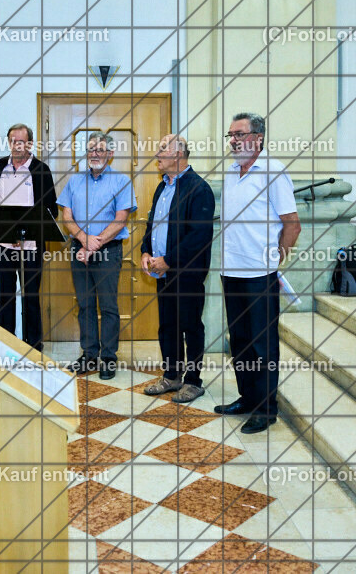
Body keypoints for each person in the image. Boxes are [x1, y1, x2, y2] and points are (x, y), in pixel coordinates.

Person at [216, 112, 301, 434]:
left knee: (262, 345)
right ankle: (247, 398)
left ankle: (266, 409)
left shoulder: (274, 171)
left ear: (258, 138)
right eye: (230, 135)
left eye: (239, 134)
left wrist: (273, 261)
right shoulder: (230, 171)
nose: (234, 140)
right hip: (231, 271)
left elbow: (292, 224)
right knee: (239, 341)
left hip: (259, 275)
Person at [140, 134, 215, 403]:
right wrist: (145, 251)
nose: (157, 154)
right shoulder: (162, 187)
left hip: (188, 273)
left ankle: (193, 382)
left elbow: (199, 236)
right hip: (163, 271)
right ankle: (172, 376)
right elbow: (152, 224)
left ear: (178, 155)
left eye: (162, 149)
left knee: (191, 326)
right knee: (168, 325)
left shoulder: (199, 189)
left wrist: (169, 259)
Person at [57, 131, 136, 380]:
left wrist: (93, 244)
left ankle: (109, 357)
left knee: (109, 306)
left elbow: (121, 219)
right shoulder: (74, 182)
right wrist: (83, 240)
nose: (95, 154)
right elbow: (66, 217)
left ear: (110, 154)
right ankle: (89, 355)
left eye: (100, 150)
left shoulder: (121, 181)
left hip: (108, 252)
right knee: (85, 304)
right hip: (79, 251)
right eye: (91, 149)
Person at [0, 123, 58, 351]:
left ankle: (33, 345)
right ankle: (6, 345)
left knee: (31, 297)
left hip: (31, 246)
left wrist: (26, 229)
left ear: (29, 143)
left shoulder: (41, 169)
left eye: (21, 141)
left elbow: (51, 210)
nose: (17, 145)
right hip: (3, 245)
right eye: (13, 141)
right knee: (4, 297)